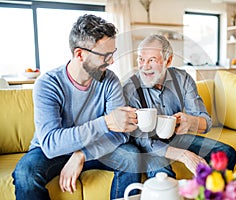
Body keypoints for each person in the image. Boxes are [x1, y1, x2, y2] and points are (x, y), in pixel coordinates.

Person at [12, 14, 141, 200]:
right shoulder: (48, 84)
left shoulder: (109, 80)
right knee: (26, 174)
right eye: (106, 55)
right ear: (80, 54)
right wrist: (105, 122)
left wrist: (82, 154)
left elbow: (120, 132)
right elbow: (51, 144)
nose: (112, 61)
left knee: (132, 156)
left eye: (113, 54)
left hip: (93, 147)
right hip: (51, 152)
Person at [123, 34, 236, 178]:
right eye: (141, 59)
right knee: (163, 175)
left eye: (152, 60)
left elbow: (205, 121)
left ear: (168, 60)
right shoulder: (130, 88)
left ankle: (211, 194)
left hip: (175, 137)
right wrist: (184, 155)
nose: (144, 66)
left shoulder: (182, 79)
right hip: (148, 145)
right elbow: (141, 140)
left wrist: (192, 122)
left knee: (226, 153)